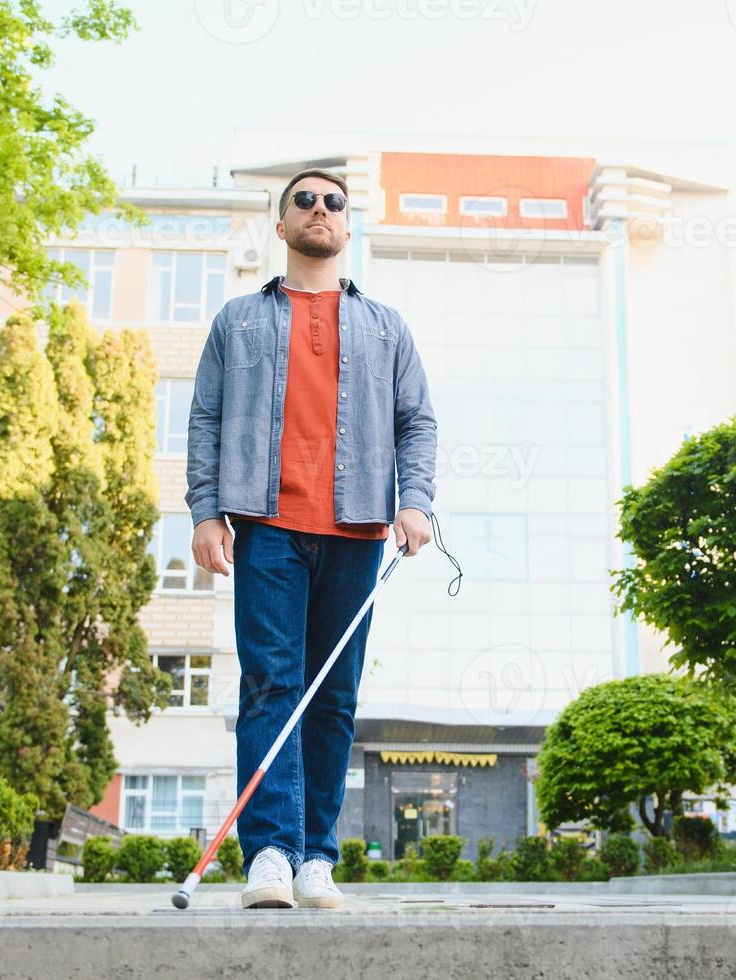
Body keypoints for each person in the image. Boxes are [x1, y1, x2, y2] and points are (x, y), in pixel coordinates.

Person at [185, 167, 438, 909]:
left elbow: (416, 421)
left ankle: (316, 858)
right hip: (265, 528)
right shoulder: (238, 319)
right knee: (271, 686)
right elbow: (203, 418)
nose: (319, 209)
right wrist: (205, 511)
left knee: (332, 700)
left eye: (333, 202)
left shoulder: (386, 326)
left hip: (356, 528)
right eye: (305, 200)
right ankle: (269, 853)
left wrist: (415, 503)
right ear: (281, 223)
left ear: (347, 225)